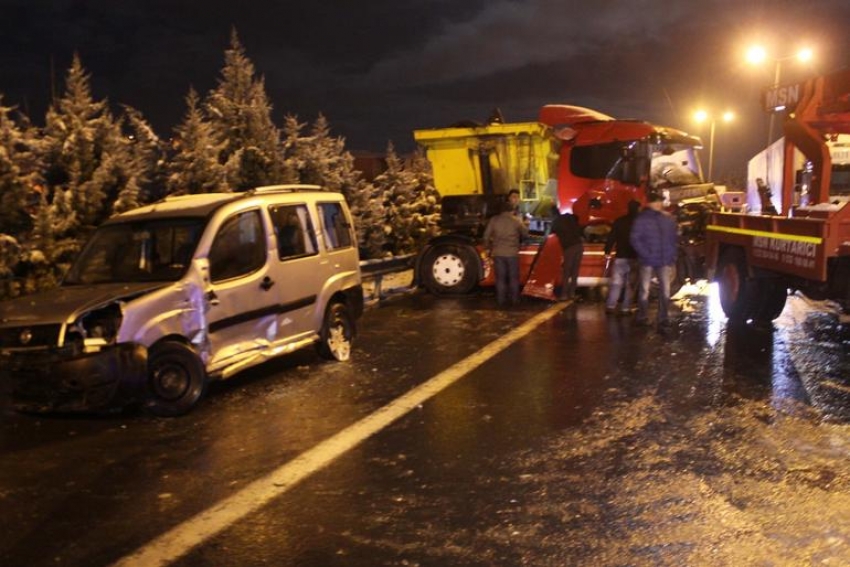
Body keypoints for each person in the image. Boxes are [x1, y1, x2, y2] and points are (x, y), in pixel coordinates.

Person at [630, 192, 679, 330]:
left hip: (662, 260)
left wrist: (672, 255)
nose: (658, 204)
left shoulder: (667, 219)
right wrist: (646, 253)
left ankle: (662, 317)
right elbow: (635, 239)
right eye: (656, 202)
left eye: (660, 202)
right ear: (650, 203)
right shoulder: (643, 219)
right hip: (649, 260)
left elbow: (673, 240)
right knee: (646, 290)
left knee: (664, 291)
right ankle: (643, 316)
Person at [484, 200, 529, 306]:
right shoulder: (516, 220)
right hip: (512, 253)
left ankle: (500, 300)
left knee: (500, 278)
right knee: (513, 278)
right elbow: (525, 234)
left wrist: (488, 248)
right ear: (511, 210)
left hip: (498, 253)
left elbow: (486, 236)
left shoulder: (494, 220)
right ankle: (515, 300)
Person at [604, 200, 640, 315]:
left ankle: (610, 305)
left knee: (616, 283)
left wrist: (607, 250)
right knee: (630, 284)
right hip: (634, 256)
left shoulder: (619, 221)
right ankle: (625, 308)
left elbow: (612, 237)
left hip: (620, 256)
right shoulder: (640, 222)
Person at [550, 205, 584, 301]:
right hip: (579, 246)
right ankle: (572, 293)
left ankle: (564, 294)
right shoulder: (568, 217)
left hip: (569, 248)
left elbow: (550, 235)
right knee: (575, 271)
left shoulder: (555, 222)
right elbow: (579, 224)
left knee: (567, 271)